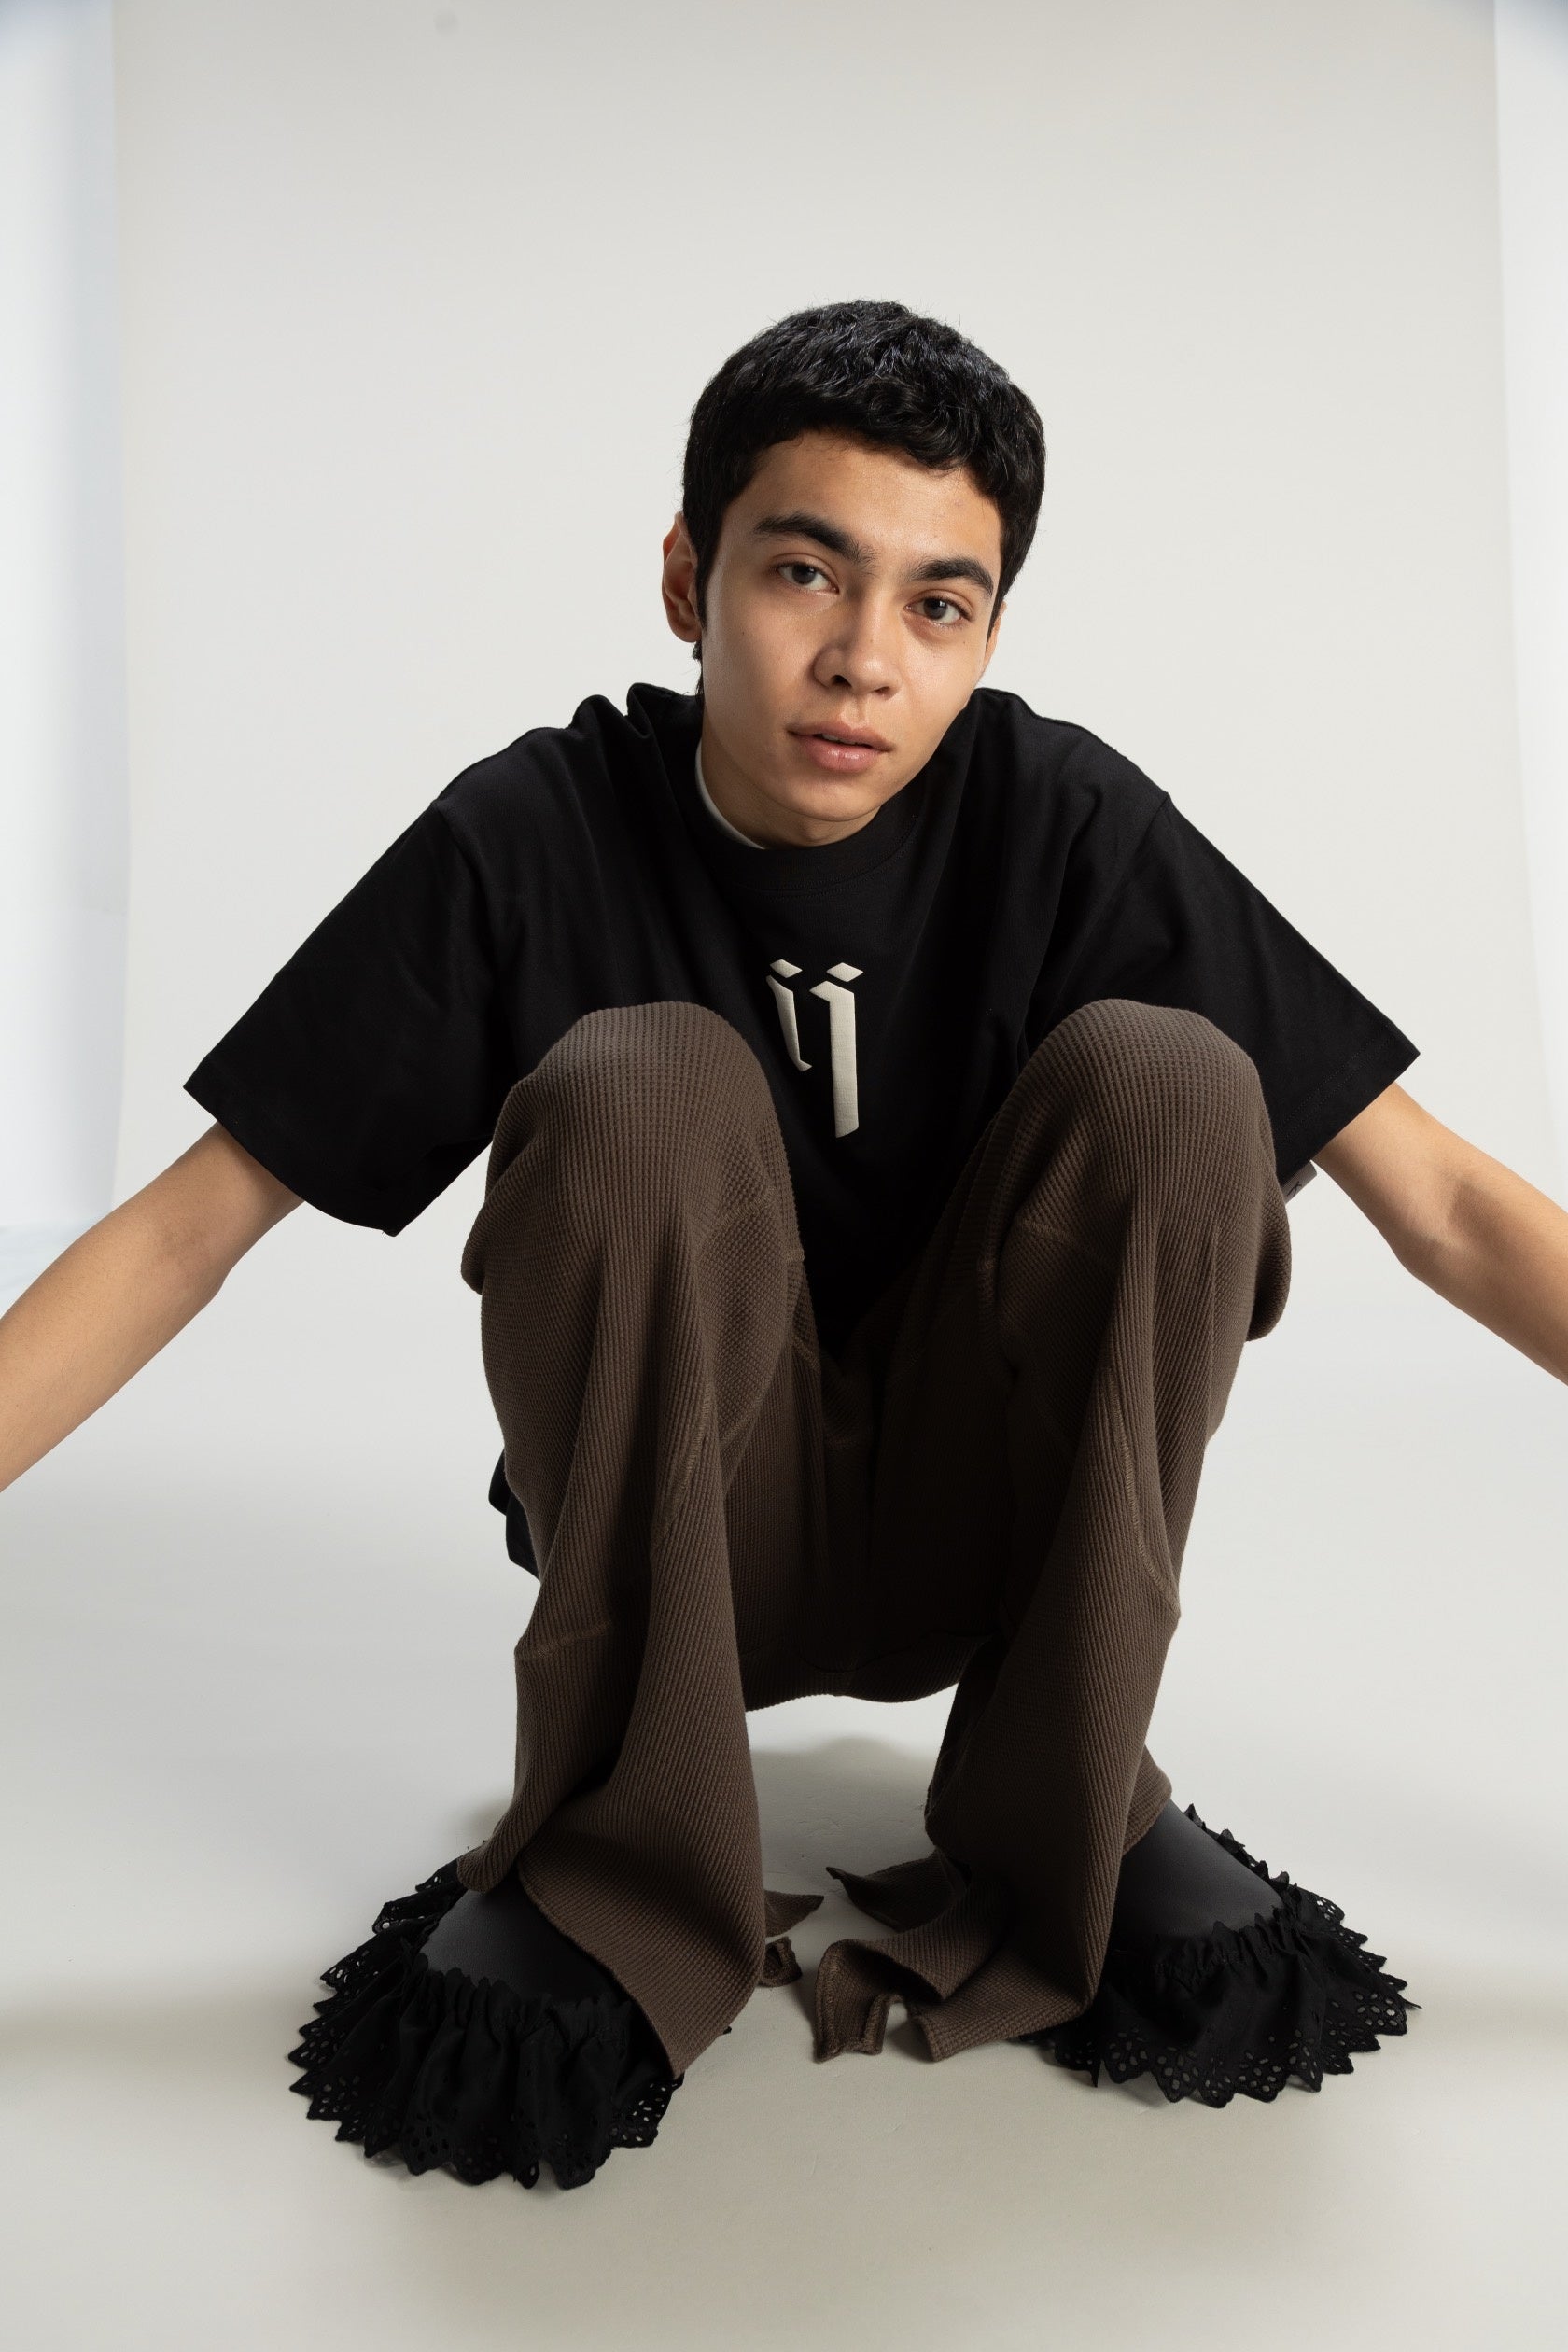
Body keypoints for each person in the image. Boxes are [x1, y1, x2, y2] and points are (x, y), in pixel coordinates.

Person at [4, 301, 1565, 2198]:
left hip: (999, 1529)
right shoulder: (535, 831)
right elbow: (185, 1233)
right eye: (803, 572)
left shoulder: (1060, 818)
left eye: (937, 604)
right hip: (683, 1533)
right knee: (644, 1083)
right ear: (689, 576)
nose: (862, 660)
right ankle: (614, 1850)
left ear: (989, 634)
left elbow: (1445, 1203)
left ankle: (1068, 1814)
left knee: (1176, 1082)